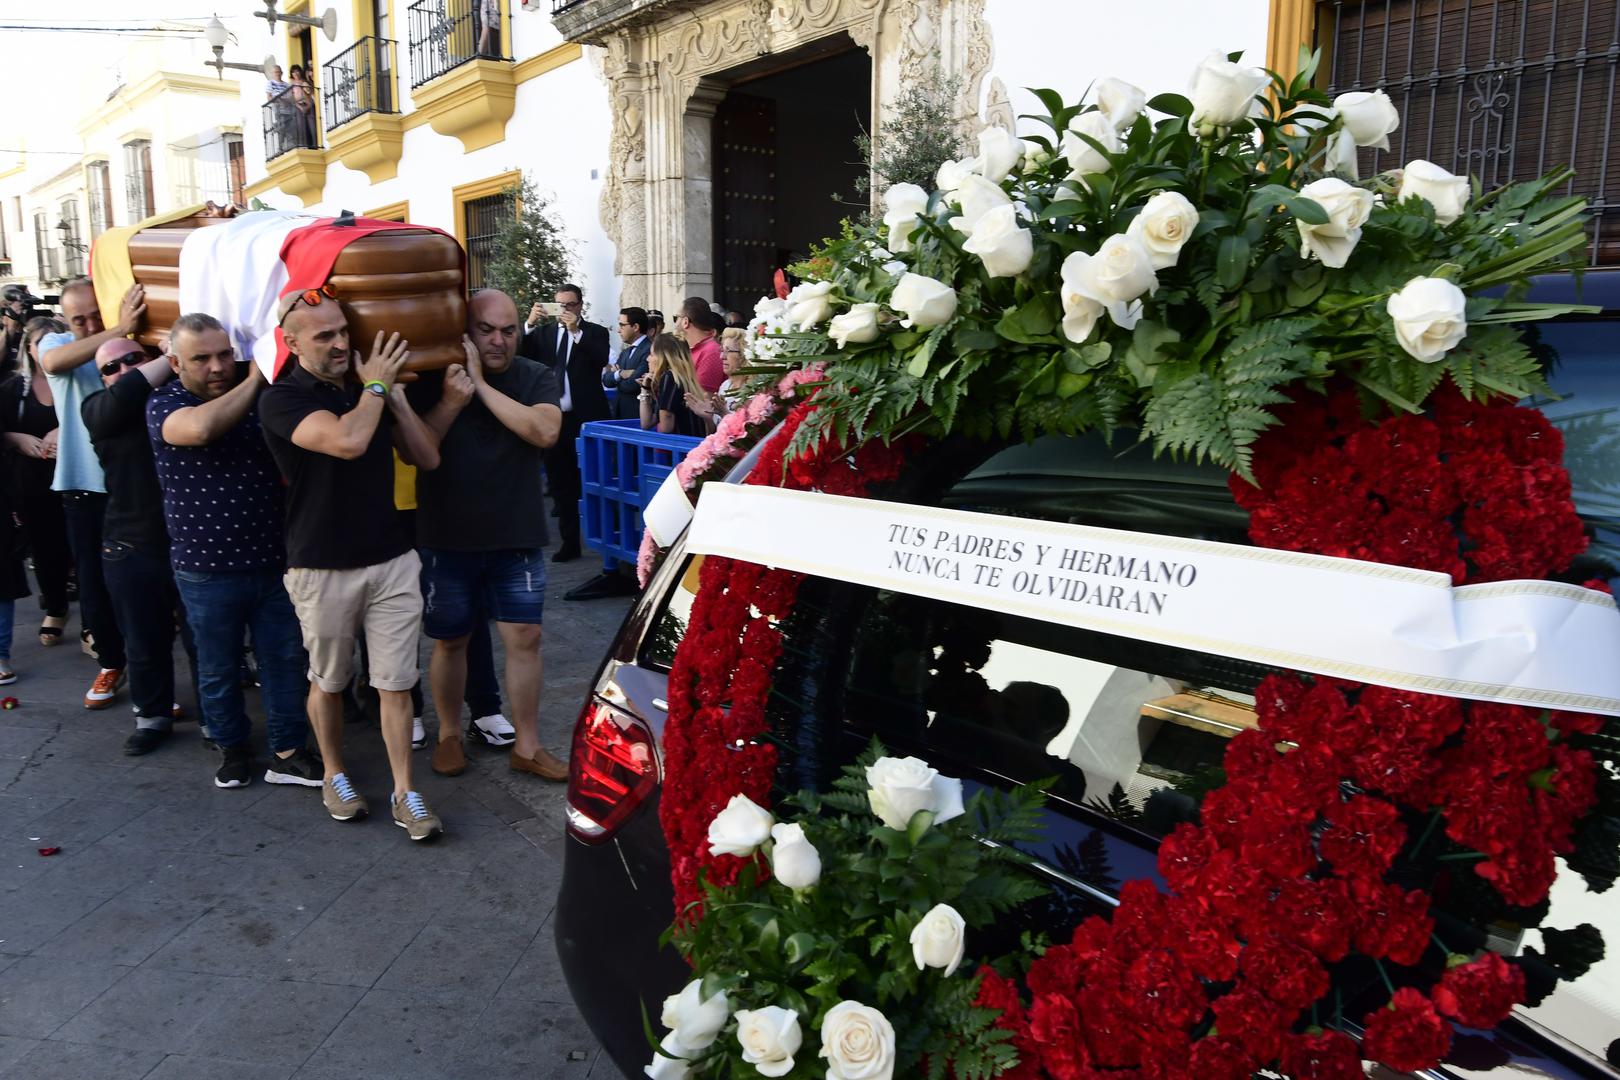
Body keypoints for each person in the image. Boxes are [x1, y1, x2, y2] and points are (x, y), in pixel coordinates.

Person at [258, 286, 445, 840]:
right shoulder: (282, 398)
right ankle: (335, 773)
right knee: (332, 680)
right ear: (290, 342)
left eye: (344, 330)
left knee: (395, 682)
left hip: (391, 557)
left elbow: (427, 456)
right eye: (325, 336)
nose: (341, 343)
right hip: (321, 565)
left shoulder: (369, 389)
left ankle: (405, 791)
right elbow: (346, 442)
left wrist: (398, 400)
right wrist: (379, 386)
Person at [147, 313, 320, 790]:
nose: (218, 365)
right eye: (201, 358)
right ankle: (231, 746)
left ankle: (288, 750)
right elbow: (201, 430)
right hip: (206, 568)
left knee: (284, 660)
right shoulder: (164, 403)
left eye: (225, 353)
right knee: (218, 665)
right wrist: (256, 378)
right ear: (175, 362)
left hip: (273, 558)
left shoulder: (260, 399)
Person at [412, 289, 569, 781]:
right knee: (451, 641)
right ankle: (450, 735)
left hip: (515, 533)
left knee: (526, 638)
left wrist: (479, 385)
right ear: (465, 331)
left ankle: (527, 745)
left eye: (509, 329)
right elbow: (420, 449)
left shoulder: (535, 375)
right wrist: (454, 397)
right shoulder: (435, 379)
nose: (499, 340)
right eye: (486, 330)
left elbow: (544, 431)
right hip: (447, 533)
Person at [81, 338, 200, 756]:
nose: (123, 369)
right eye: (111, 367)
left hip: (190, 539)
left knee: (202, 639)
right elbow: (125, 392)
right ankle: (152, 719)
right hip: (130, 544)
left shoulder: (179, 399)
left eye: (133, 358)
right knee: (144, 640)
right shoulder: (97, 407)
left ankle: (217, 719)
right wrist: (168, 357)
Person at [38, 279, 139, 711]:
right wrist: (116, 330)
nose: (88, 324)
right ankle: (112, 664)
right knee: (95, 590)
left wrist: (124, 332)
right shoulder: (60, 341)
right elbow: (54, 360)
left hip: (132, 486)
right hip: (82, 489)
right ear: (66, 319)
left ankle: (153, 680)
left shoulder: (128, 341)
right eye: (79, 318)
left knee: (142, 588)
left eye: (96, 315)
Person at [521, 283, 609, 563]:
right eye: (560, 305)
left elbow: (601, 359)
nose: (565, 310)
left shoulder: (594, 332)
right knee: (561, 483)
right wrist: (529, 324)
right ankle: (569, 543)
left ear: (580, 305)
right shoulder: (545, 334)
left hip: (586, 419)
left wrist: (576, 333)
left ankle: (606, 541)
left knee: (596, 478)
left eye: (570, 305)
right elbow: (522, 356)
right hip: (555, 418)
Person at [0, 317, 72, 648]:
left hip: (74, 479)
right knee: (44, 550)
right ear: (28, 348)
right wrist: (16, 439)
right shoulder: (14, 389)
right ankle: (55, 608)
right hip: (31, 482)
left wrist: (67, 430)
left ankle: (94, 625)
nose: (47, 350)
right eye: (40, 343)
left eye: (55, 342)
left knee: (83, 550)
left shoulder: (76, 381)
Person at [639, 333, 705, 437]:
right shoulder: (680, 378)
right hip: (690, 446)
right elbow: (646, 423)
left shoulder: (670, 377)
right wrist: (645, 389)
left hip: (682, 448)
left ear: (663, 357)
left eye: (651, 354)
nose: (648, 359)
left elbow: (666, 427)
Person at [687, 326, 747, 429]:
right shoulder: (725, 386)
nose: (722, 356)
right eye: (722, 350)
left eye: (728, 351)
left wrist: (725, 414)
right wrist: (708, 417)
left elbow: (751, 437)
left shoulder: (753, 390)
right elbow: (715, 433)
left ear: (743, 355)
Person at [605, 307, 650, 421]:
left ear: (635, 327)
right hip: (621, 415)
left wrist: (616, 377)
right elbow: (606, 380)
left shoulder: (650, 350)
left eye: (622, 325)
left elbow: (633, 385)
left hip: (637, 418)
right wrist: (620, 374)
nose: (619, 330)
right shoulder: (626, 352)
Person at [680, 300, 726, 393]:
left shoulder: (711, 351)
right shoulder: (693, 349)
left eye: (676, 318)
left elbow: (703, 398)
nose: (675, 323)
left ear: (685, 322)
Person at [288, 65, 317, 149]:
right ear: (292, 74)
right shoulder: (291, 84)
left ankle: (315, 145)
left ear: (300, 72)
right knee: (301, 127)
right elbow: (291, 98)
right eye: (293, 72)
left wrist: (308, 105)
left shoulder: (305, 82)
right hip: (298, 106)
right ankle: (304, 146)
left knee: (312, 126)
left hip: (308, 105)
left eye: (297, 71)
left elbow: (310, 94)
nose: (295, 73)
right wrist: (299, 107)